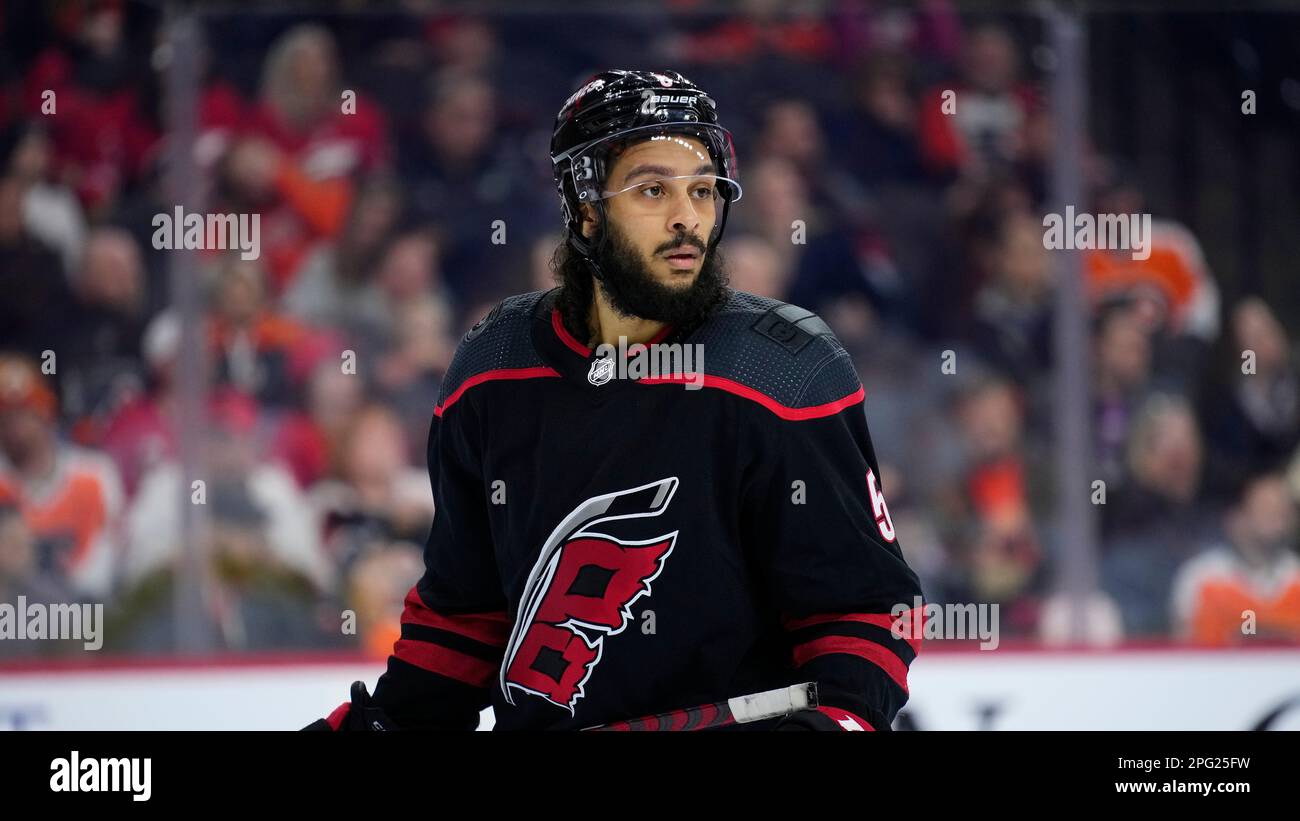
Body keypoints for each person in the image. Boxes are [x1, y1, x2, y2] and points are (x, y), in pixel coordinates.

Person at [308, 69, 922, 732]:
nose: (688, 217)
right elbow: (464, 617)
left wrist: (835, 721)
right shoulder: (492, 367)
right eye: (653, 189)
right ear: (586, 207)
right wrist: (388, 722)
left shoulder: (785, 369)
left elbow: (863, 611)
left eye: (704, 189)